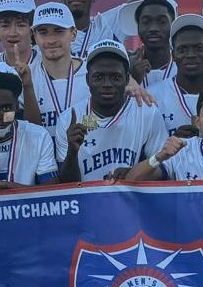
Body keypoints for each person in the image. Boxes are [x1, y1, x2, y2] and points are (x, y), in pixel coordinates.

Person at [59, 40, 167, 182]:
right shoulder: (68, 119)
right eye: (98, 77)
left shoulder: (147, 113)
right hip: (87, 202)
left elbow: (164, 169)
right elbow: (66, 187)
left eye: (115, 77)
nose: (107, 84)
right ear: (87, 80)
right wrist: (72, 153)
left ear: (127, 79)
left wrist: (135, 173)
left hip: (131, 200)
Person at [26, 3, 89, 147]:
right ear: (34, 36)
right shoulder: (25, 77)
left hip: (84, 162)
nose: (51, 40)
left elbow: (101, 119)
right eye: (43, 32)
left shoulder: (93, 74)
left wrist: (84, 123)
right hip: (42, 166)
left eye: (59, 31)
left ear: (73, 34)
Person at [151, 14, 203, 135]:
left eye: (199, 48)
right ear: (173, 55)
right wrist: (171, 146)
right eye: (182, 49)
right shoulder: (153, 97)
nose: (191, 55)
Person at [127, 0, 178, 86]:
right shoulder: (125, 66)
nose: (153, 28)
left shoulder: (185, 66)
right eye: (146, 22)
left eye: (162, 22)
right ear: (138, 27)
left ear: (173, 25)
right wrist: (132, 80)